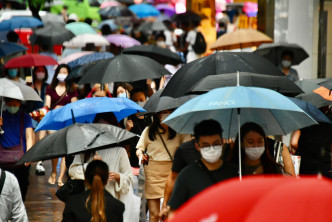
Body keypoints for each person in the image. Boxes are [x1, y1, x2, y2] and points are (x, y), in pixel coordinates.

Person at [69, 112, 137, 222]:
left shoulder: (120, 151)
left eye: (108, 126)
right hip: (87, 202)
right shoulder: (86, 150)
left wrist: (118, 176)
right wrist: (89, 166)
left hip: (111, 203)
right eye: (100, 126)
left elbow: (129, 178)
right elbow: (72, 171)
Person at [166, 120, 237, 218]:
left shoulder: (235, 172)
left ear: (222, 142)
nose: (211, 149)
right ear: (197, 146)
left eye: (216, 144)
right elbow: (173, 213)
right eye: (206, 145)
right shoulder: (186, 175)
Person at [136, 109, 190, 222]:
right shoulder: (148, 130)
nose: (165, 114)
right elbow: (139, 148)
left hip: (172, 173)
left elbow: (187, 148)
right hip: (152, 173)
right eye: (162, 112)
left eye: (169, 112)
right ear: (156, 115)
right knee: (154, 213)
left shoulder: (180, 131)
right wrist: (141, 155)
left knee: (171, 211)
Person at [44, 64, 78, 187]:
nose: (62, 74)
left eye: (65, 72)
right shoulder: (50, 88)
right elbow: (47, 105)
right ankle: (53, 172)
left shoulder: (72, 89)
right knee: (55, 148)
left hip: (67, 122)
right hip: (53, 121)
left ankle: (60, 177)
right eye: (61, 72)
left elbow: (74, 105)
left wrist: (64, 108)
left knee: (64, 150)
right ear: (57, 73)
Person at [0, 98, 34, 201]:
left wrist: (29, 155)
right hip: (2, 160)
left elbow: (29, 137)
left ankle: (19, 210)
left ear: (19, 103)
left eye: (15, 103)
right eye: (10, 103)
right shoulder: (1, 116)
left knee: (22, 187)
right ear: (5, 102)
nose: (12, 106)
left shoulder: (25, 117)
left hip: (21, 160)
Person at [30, 66, 49, 175]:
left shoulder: (48, 87)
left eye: (42, 71)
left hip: (43, 114)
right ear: (35, 72)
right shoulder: (29, 86)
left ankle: (40, 163)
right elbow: (25, 104)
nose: (40, 73)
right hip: (32, 114)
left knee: (41, 139)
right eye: (38, 70)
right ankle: (30, 159)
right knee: (32, 139)